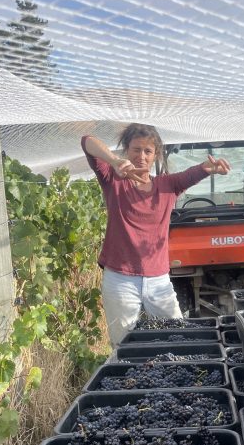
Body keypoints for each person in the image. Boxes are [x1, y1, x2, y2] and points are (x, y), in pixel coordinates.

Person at [81, 124, 230, 346]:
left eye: (147, 151)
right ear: (127, 150)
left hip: (158, 280)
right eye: (136, 149)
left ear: (155, 155)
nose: (141, 156)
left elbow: (192, 174)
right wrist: (115, 161)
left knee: (178, 338)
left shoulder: (167, 185)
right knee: (123, 345)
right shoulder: (113, 180)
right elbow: (86, 140)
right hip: (120, 280)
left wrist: (208, 167)